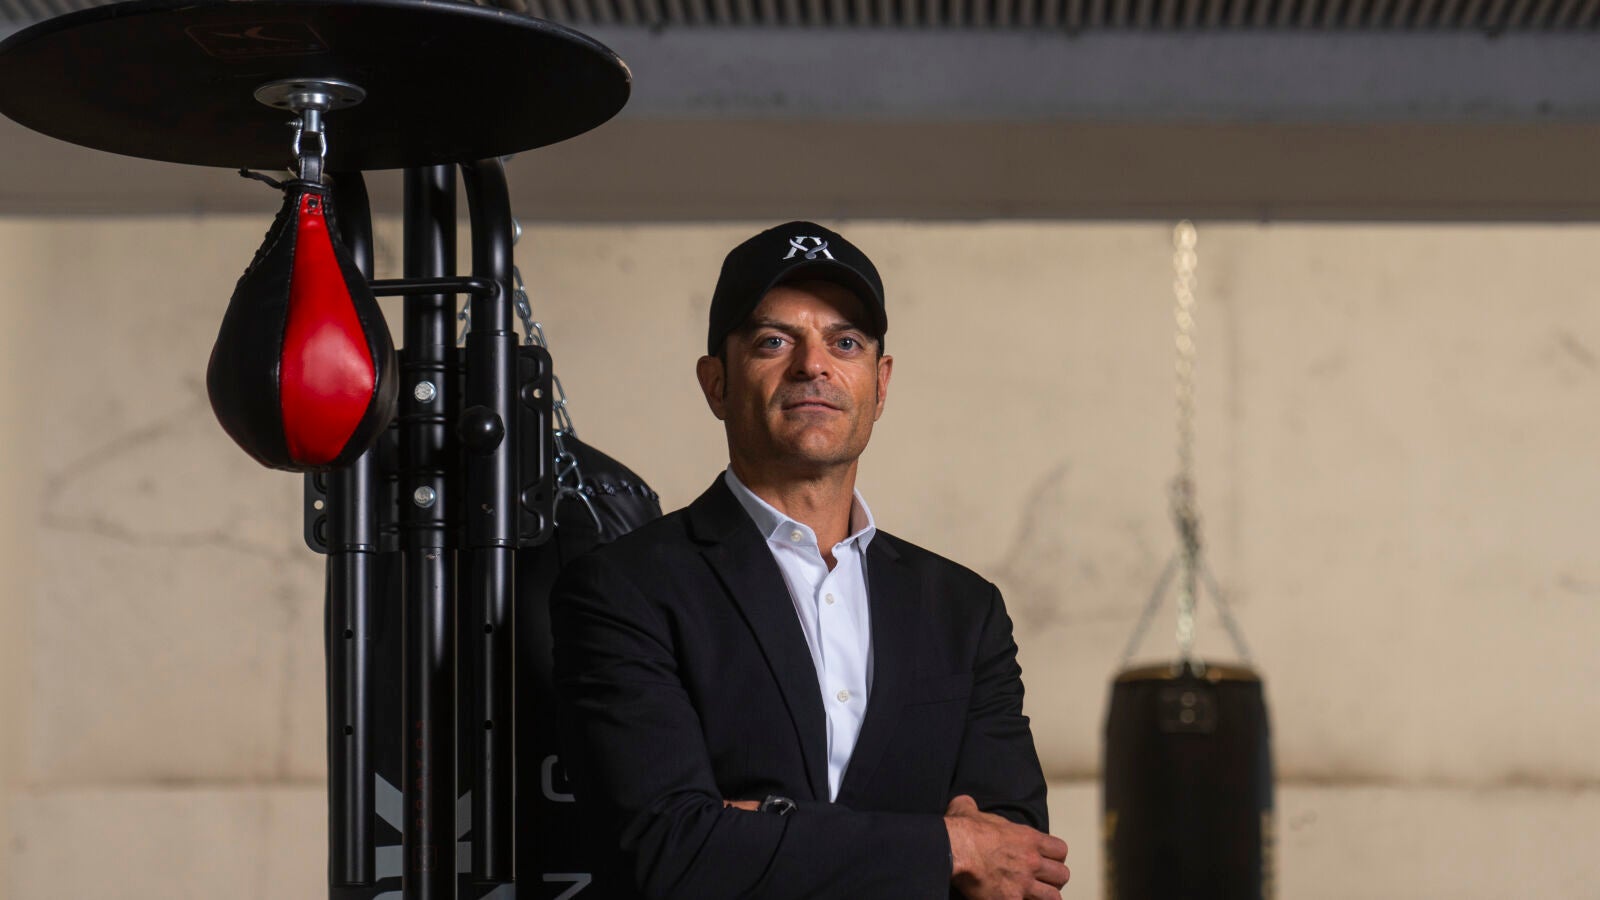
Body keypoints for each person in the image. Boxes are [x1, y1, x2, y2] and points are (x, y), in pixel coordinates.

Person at [550, 222, 1070, 899]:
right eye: (774, 341)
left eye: (845, 343)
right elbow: (671, 852)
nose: (813, 365)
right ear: (716, 383)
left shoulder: (964, 612)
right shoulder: (624, 589)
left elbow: (1020, 865)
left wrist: (761, 827)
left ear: (880, 383)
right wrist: (949, 845)